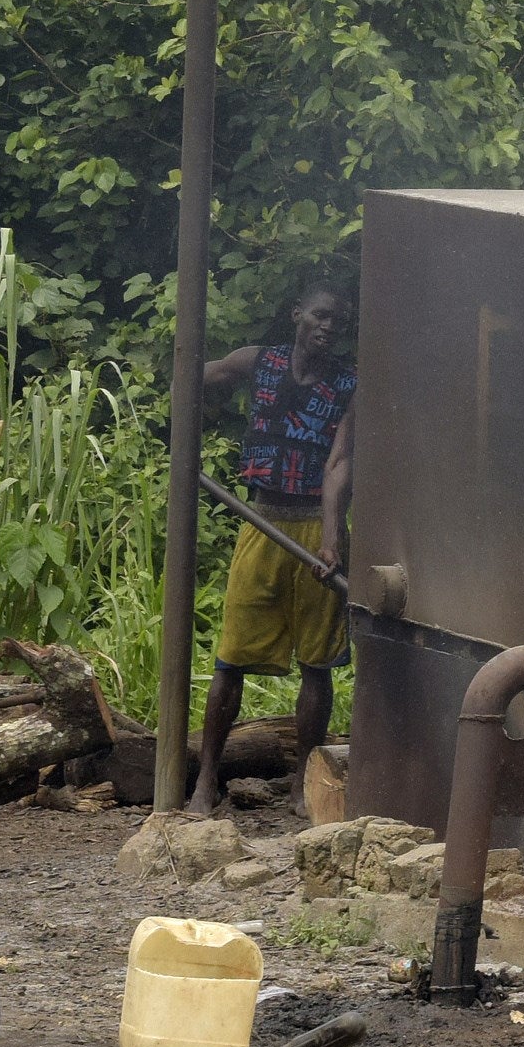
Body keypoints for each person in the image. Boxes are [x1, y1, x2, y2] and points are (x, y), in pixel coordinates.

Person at [194, 285, 356, 806]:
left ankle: (302, 786)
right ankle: (204, 780)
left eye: (337, 321)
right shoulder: (258, 362)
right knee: (232, 656)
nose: (328, 327)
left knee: (317, 663)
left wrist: (332, 540)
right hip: (259, 520)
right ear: (297, 314)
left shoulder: (349, 383)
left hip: (313, 526)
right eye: (321, 315)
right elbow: (190, 380)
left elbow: (337, 464)